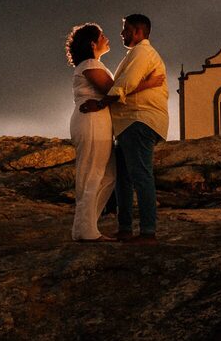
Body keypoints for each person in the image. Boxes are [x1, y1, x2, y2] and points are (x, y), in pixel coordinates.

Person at [65, 23, 164, 242]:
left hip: (98, 121)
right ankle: (86, 231)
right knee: (93, 174)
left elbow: (115, 90)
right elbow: (114, 90)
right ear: (93, 44)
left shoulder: (94, 64)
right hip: (91, 121)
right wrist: (147, 84)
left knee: (107, 175)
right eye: (102, 36)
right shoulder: (90, 64)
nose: (107, 38)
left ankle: (85, 227)